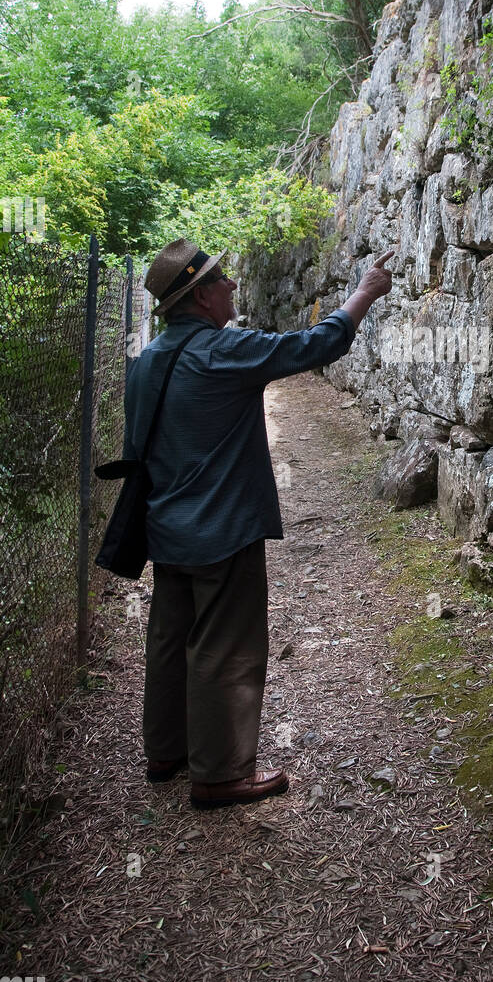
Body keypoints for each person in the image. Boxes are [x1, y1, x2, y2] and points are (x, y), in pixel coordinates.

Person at [123, 238, 393, 809]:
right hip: (221, 529)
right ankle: (219, 775)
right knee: (226, 648)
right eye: (221, 281)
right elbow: (313, 345)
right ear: (199, 296)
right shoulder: (223, 352)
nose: (232, 288)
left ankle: (166, 751)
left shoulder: (146, 361)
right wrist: (363, 294)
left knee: (171, 638)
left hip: (166, 528)